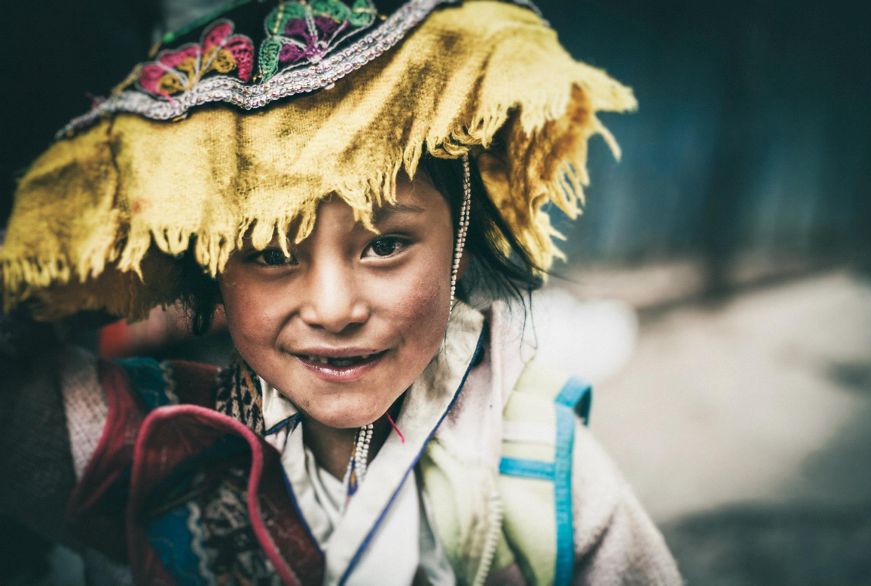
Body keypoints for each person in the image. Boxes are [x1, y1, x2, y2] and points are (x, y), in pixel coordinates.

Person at [0, 0, 681, 584]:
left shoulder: (539, 463)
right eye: (268, 253)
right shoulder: (152, 440)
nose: (333, 309)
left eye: (385, 245)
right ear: (213, 267)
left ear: (461, 237)